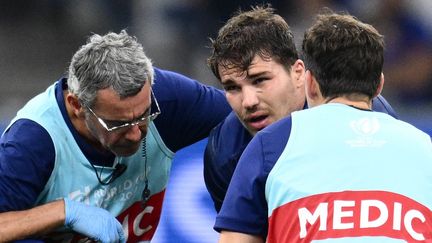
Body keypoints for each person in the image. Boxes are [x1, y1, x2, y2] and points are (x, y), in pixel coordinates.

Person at [215, 11, 432, 242]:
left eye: (260, 80)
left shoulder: (267, 145)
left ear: (308, 82)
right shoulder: (423, 146)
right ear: (379, 85)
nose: (249, 101)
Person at [0, 30, 231, 242]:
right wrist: (62, 212)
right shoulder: (34, 140)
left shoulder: (165, 98)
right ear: (77, 104)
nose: (134, 134)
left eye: (143, 116)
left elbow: (246, 114)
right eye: (117, 124)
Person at [204, 5, 396, 213]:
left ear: (298, 73)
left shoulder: (369, 119)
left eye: (260, 80)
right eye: (232, 87)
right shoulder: (224, 153)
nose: (248, 101)